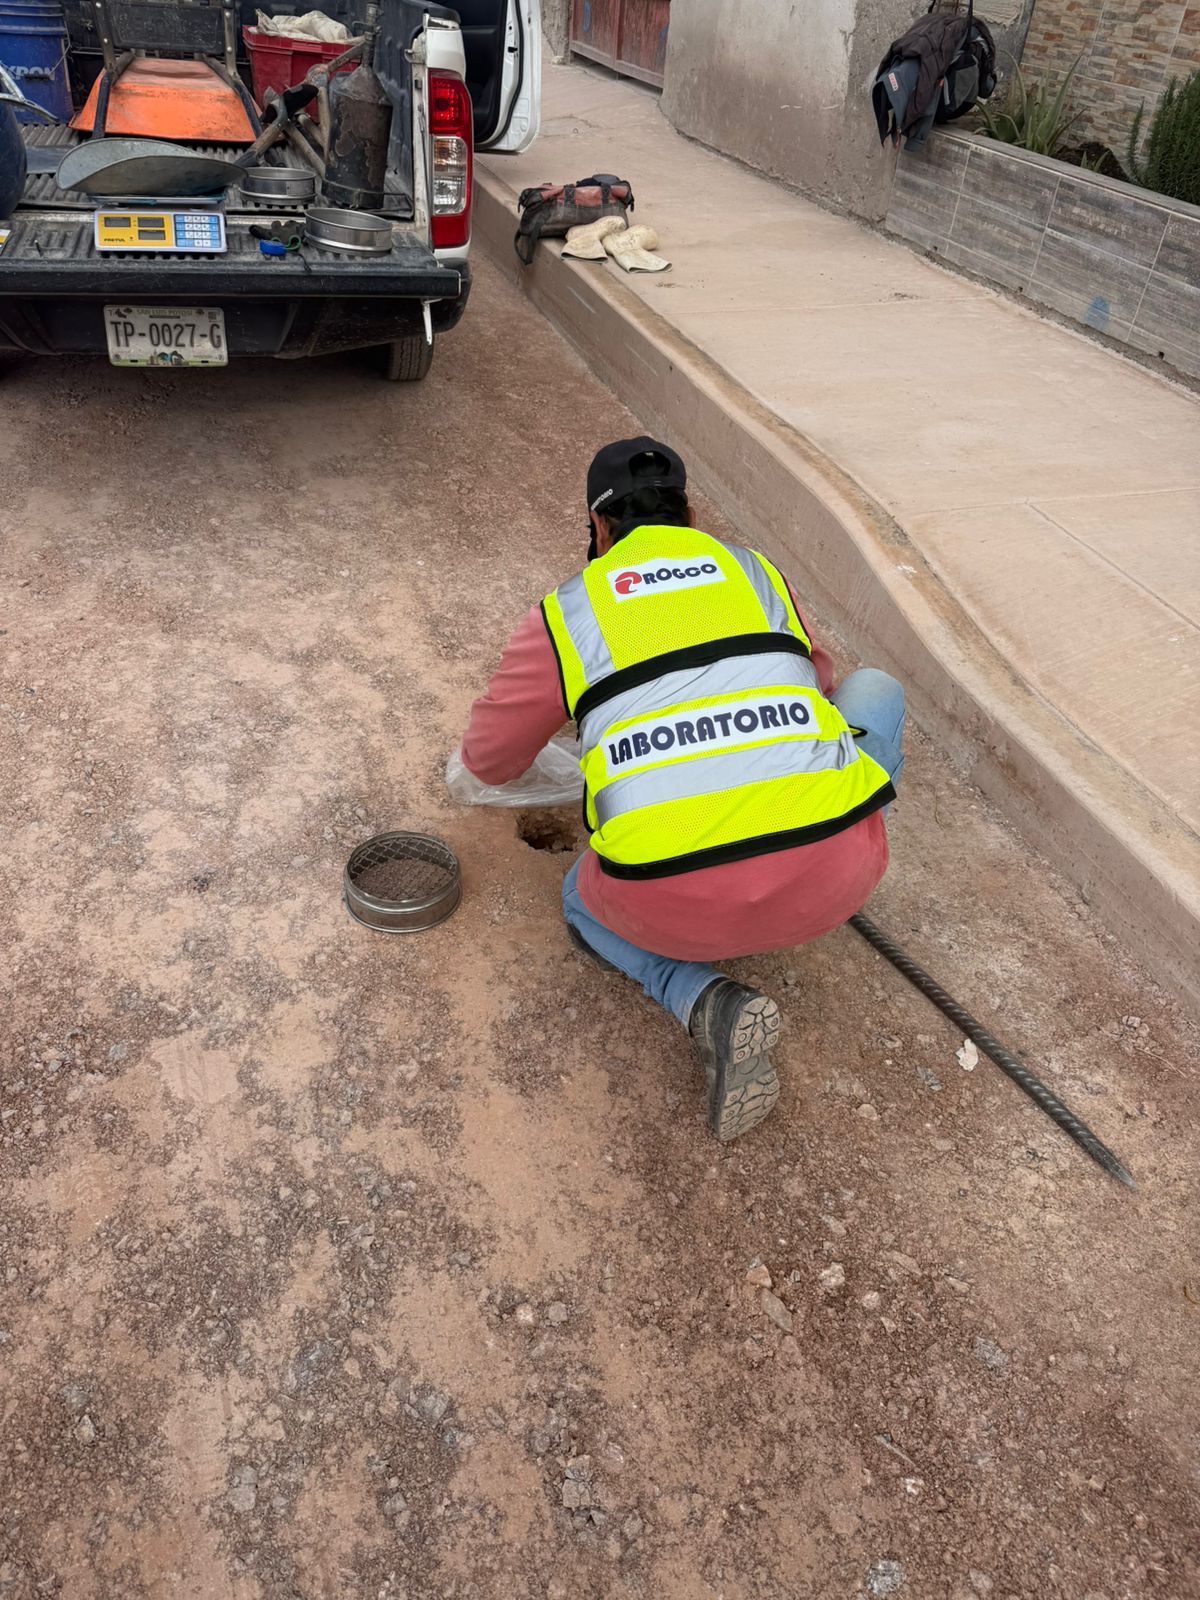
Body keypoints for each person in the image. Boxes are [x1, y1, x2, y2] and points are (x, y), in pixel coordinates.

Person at [457, 438, 905, 1141]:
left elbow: (488, 762)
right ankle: (838, 842)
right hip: (833, 880)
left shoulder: (570, 611)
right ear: (691, 514)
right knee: (874, 690)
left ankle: (700, 996)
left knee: (581, 894)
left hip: (672, 902)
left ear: (598, 529)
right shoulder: (754, 572)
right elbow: (815, 684)